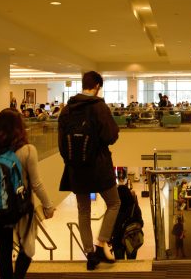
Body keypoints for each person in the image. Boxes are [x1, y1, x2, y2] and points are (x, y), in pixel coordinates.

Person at [0, 108, 55, 279]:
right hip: (21, 206)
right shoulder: (28, 150)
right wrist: (48, 205)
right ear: (20, 126)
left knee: (4, 250)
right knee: (27, 248)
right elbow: (36, 183)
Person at [59, 71, 120, 270]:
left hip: (76, 169)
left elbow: (61, 144)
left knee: (83, 211)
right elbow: (111, 135)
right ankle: (101, 244)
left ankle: (89, 253)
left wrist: (72, 159)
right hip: (99, 166)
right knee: (114, 202)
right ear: (96, 87)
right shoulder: (99, 106)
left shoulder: (67, 109)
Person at [110, 184, 144, 260]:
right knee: (131, 262)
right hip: (132, 239)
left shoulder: (115, 208)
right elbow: (141, 223)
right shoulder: (134, 207)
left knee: (119, 263)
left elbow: (111, 225)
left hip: (118, 241)